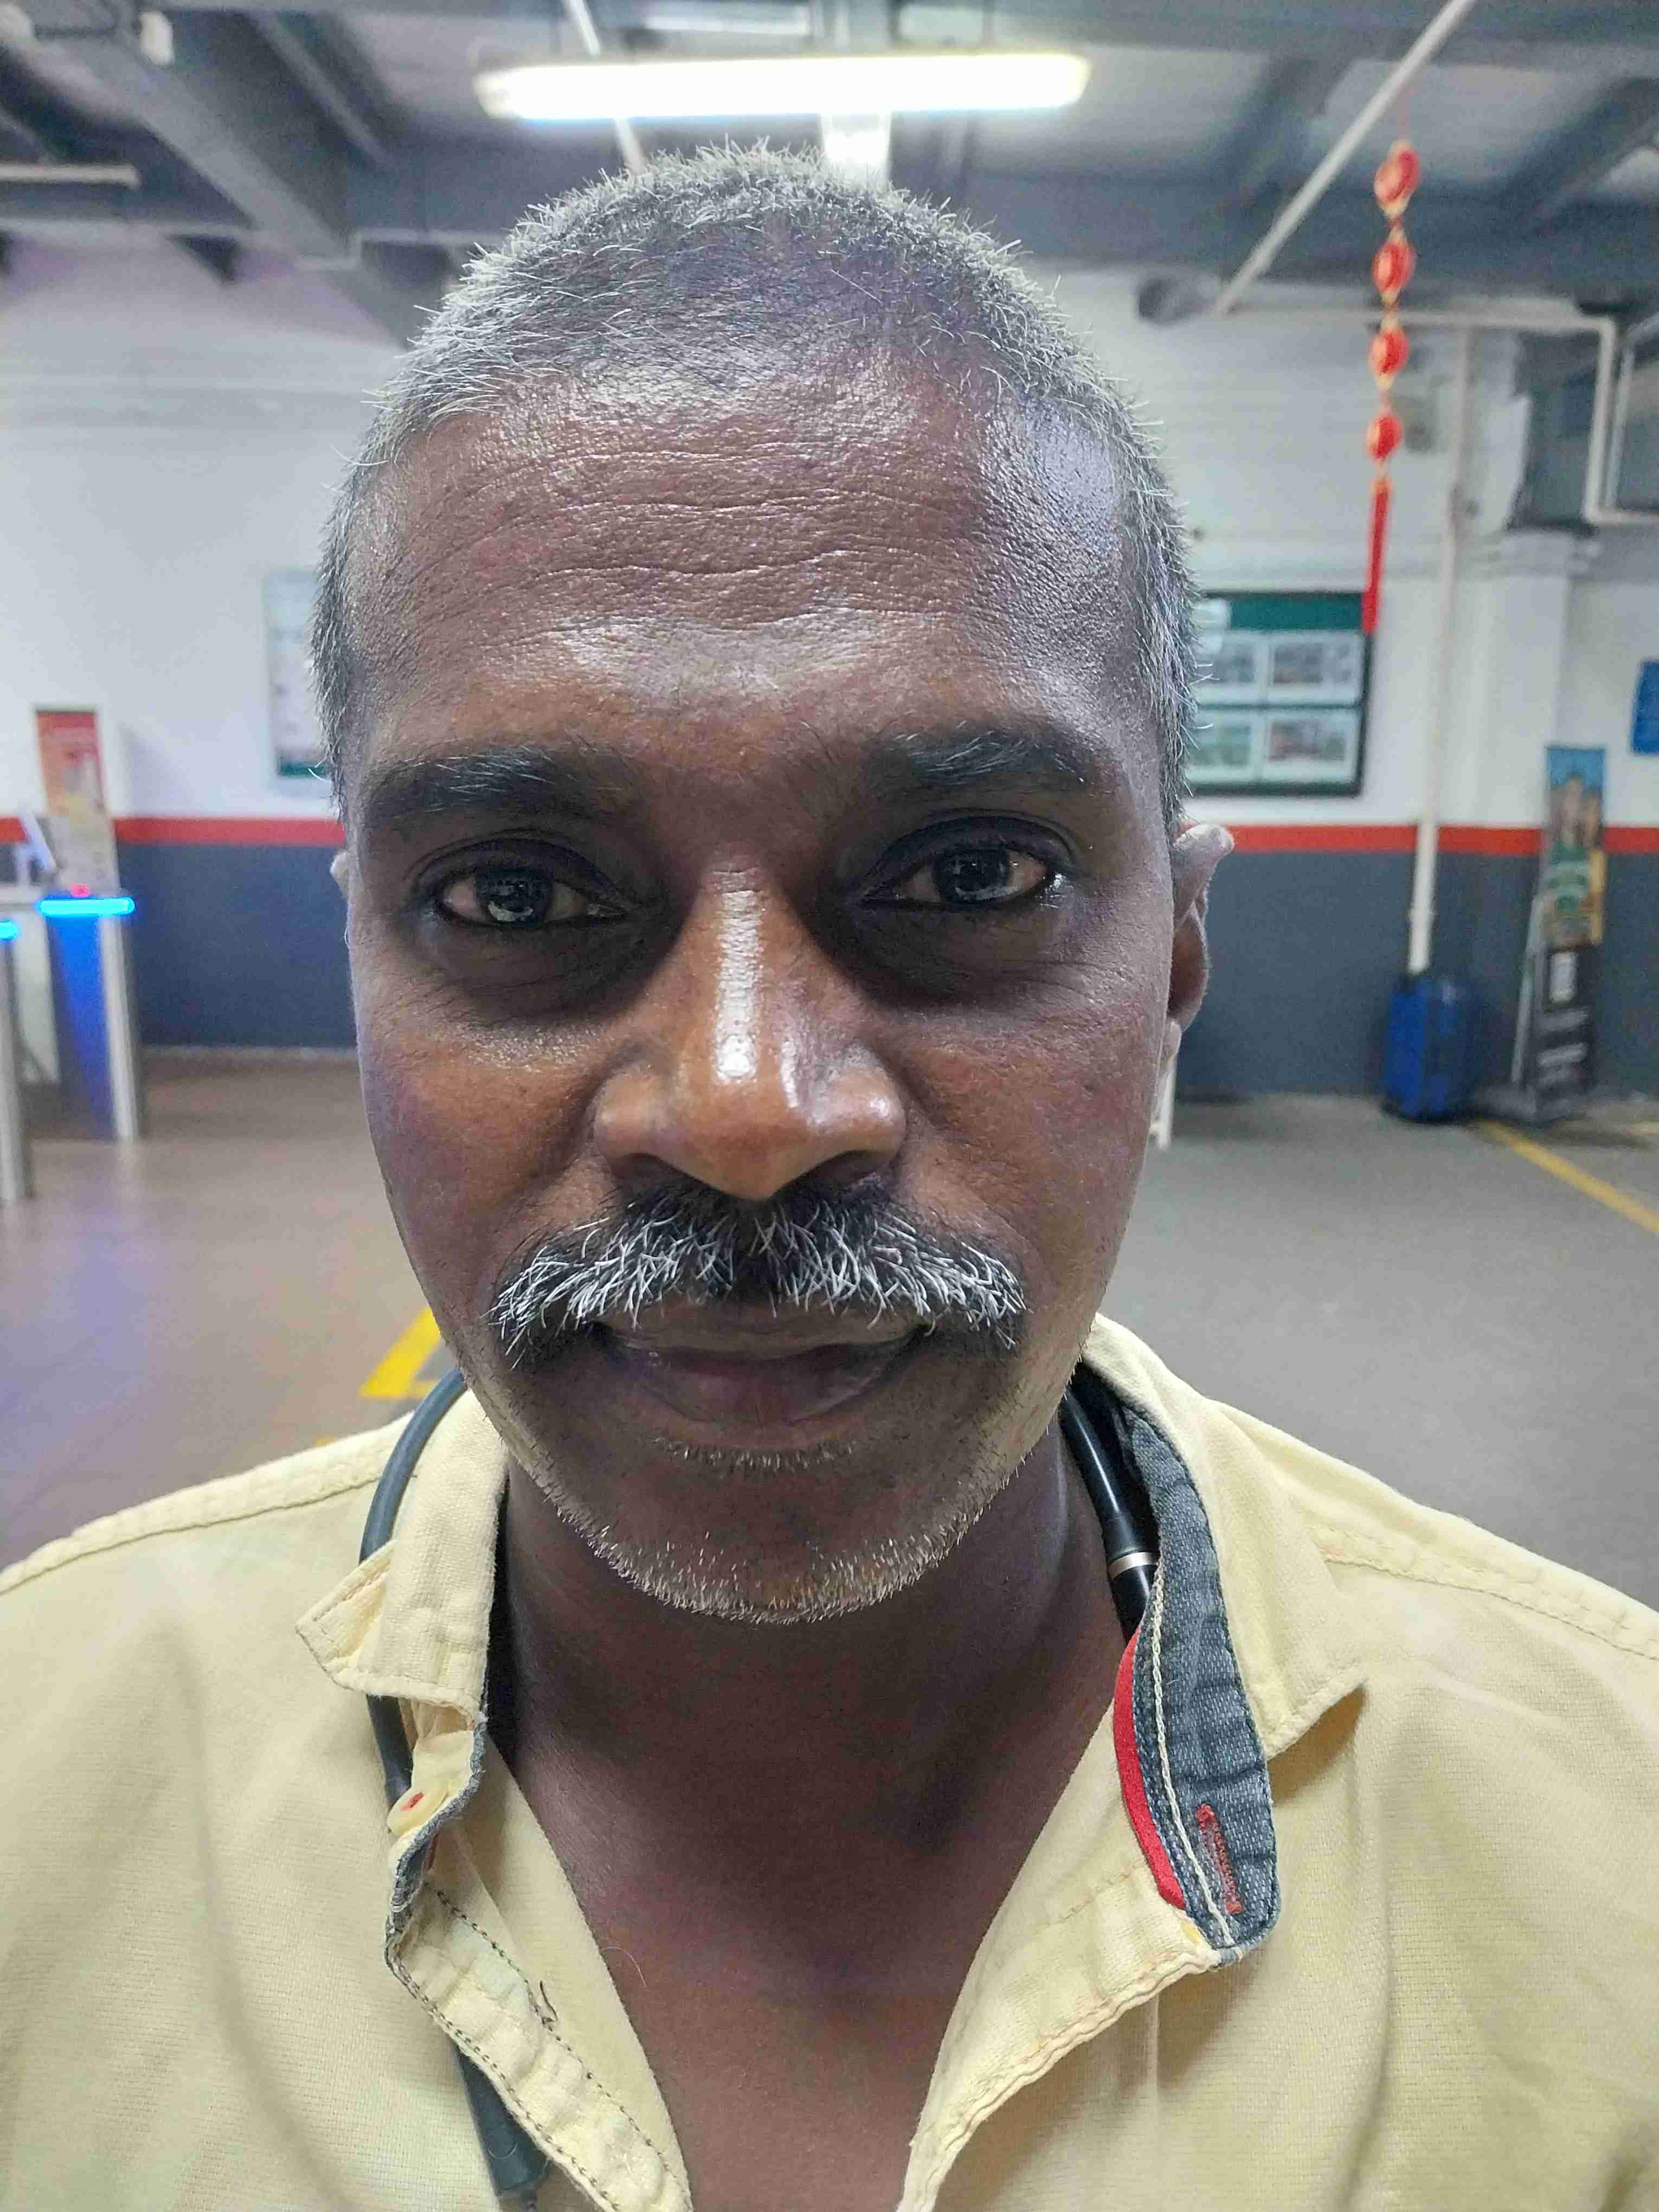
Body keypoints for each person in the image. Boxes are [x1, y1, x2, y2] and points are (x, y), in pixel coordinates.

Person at [3, 151, 1656, 2211]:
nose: (744, 1107)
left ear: (1175, 962)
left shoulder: (1610, 1851)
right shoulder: (38, 1780)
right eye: (517, 894)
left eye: (965, 875)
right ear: (358, 961)